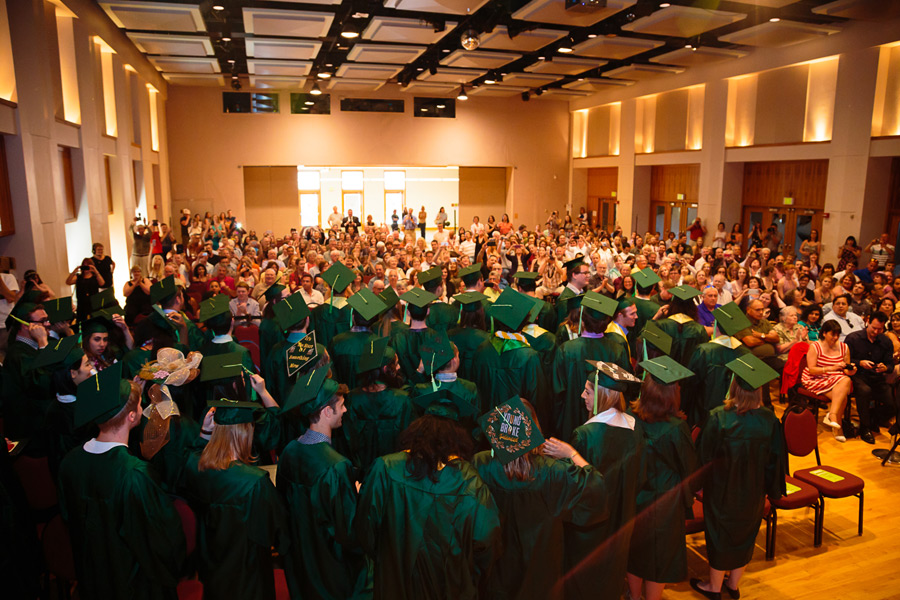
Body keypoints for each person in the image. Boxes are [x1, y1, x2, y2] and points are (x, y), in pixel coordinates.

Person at [355, 390, 501, 599]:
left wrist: (387, 558)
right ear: (458, 438)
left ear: (417, 429)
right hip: (449, 586)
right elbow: (486, 540)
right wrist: (467, 575)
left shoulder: (385, 468)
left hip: (395, 580)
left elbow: (366, 528)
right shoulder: (469, 481)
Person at [58, 364, 186, 600]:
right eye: (139, 406)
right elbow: (160, 541)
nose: (142, 409)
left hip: (91, 578)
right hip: (133, 584)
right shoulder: (135, 475)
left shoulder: (70, 462)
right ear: (132, 416)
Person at [474, 397, 608, 600]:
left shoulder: (481, 464)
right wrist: (571, 453)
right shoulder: (552, 471)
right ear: (534, 427)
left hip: (497, 564)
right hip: (540, 568)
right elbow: (596, 486)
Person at [179, 381, 288, 600]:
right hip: (249, 578)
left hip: (212, 574)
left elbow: (192, 456)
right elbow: (280, 533)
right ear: (245, 432)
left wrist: (204, 434)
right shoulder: (254, 482)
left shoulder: (195, 468)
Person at [692, 356, 785, 600]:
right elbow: (776, 461)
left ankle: (713, 587)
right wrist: (772, 491)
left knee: (719, 535)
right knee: (746, 533)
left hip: (722, 490)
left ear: (733, 386)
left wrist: (697, 487)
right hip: (753, 491)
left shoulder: (718, 418)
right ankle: (733, 584)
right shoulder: (770, 421)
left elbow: (704, 457)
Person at [277, 365, 369, 600]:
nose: (346, 409)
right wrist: (356, 497)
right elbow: (347, 531)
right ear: (327, 412)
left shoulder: (289, 451)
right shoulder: (336, 466)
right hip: (330, 564)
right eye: (341, 405)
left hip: (301, 558)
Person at [563, 362, 644, 600]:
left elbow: (576, 489)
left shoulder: (585, 435)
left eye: (588, 391)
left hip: (591, 527)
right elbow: (640, 477)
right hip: (623, 519)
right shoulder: (635, 427)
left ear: (602, 395)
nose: (581, 396)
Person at [626, 373, 698, 600]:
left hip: (634, 497)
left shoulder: (629, 418)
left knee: (635, 551)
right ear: (671, 396)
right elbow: (689, 468)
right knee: (660, 556)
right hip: (666, 502)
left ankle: (634, 596)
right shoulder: (676, 428)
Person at [800, 319, 856, 443]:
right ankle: (835, 421)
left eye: (838, 334)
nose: (836, 337)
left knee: (845, 380)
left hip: (836, 379)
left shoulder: (844, 347)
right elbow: (812, 370)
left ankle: (833, 416)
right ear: (824, 333)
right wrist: (831, 368)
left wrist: (851, 370)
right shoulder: (815, 346)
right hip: (816, 378)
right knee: (843, 393)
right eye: (833, 334)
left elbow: (846, 369)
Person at [845, 311, 896, 444]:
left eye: (880, 329)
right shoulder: (853, 338)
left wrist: (885, 368)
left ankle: (874, 418)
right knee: (864, 391)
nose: (876, 331)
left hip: (877, 377)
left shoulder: (885, 341)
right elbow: (845, 361)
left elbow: (890, 364)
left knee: (893, 401)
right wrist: (859, 362)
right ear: (867, 322)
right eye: (873, 328)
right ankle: (864, 427)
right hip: (857, 375)